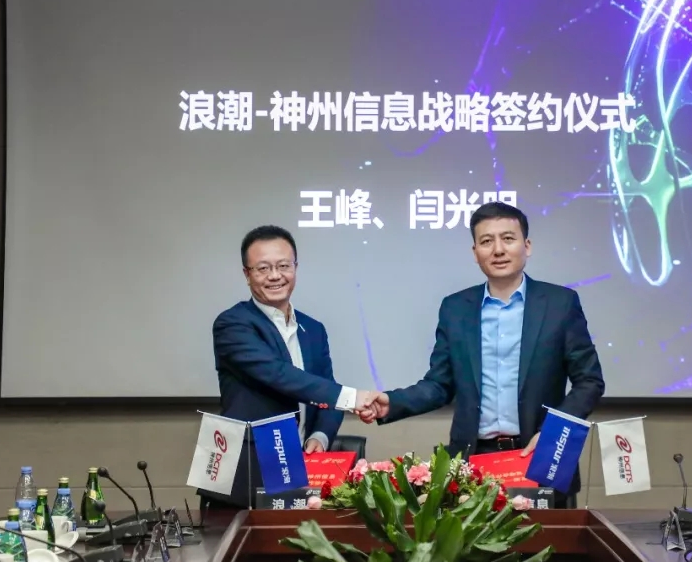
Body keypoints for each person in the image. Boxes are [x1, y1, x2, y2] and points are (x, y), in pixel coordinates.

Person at [357, 202, 605, 508]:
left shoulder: (560, 303)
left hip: (539, 453)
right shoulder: (455, 308)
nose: (498, 250)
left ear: (527, 246)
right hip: (473, 461)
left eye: (508, 239)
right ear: (475, 252)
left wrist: (554, 433)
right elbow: (440, 384)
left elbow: (589, 381)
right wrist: (391, 402)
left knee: (547, 540)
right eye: (487, 241)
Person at [203, 225, 376, 509]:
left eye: (284, 265)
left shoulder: (313, 329)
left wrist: (320, 436)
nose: (275, 276)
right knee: (229, 538)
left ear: (295, 267)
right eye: (263, 268)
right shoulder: (232, 323)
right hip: (242, 474)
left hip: (297, 467)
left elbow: (326, 390)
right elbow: (279, 375)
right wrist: (353, 398)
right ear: (247, 274)